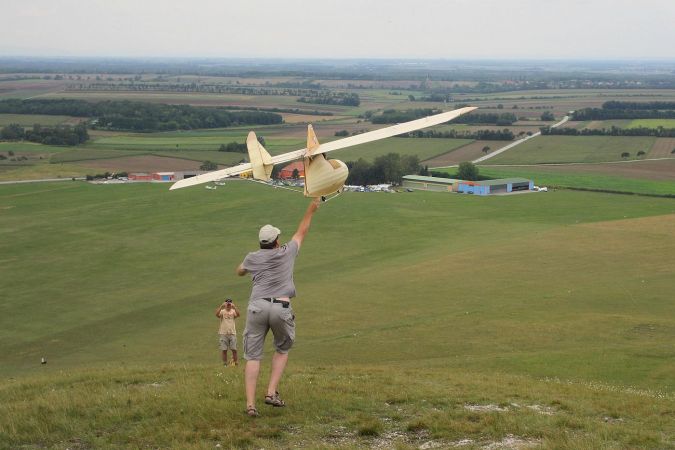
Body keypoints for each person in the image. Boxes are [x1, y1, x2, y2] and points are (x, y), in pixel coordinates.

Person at [236, 198, 321, 417]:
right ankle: (271, 392)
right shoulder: (286, 252)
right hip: (281, 306)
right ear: (276, 241)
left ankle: (250, 405)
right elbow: (302, 231)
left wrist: (247, 268)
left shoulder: (253, 257)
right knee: (282, 349)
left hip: (257, 306)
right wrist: (311, 210)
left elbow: (239, 271)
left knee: (253, 356)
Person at [215, 298, 240, 366]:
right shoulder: (222, 311)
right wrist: (221, 306)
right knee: (224, 350)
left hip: (232, 333)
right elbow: (217, 315)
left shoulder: (233, 311)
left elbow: (238, 315)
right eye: (227, 303)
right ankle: (225, 364)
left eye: (229, 303)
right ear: (225, 304)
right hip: (223, 333)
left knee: (234, 349)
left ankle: (235, 363)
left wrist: (234, 307)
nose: (228, 305)